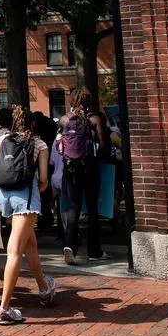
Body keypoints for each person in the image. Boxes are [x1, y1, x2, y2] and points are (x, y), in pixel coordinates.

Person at [0, 104, 56, 326]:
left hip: (3, 196)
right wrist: (39, 189)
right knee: (14, 251)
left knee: (29, 244)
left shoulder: (1, 140)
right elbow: (43, 179)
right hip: (26, 198)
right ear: (32, 123)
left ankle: (44, 289)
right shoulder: (39, 143)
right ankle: (4, 309)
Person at [58, 87, 109, 265]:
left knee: (74, 207)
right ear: (88, 101)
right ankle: (94, 251)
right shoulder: (94, 120)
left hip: (70, 168)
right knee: (93, 209)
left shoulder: (64, 120)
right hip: (90, 168)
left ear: (72, 101)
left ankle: (69, 245)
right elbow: (104, 147)